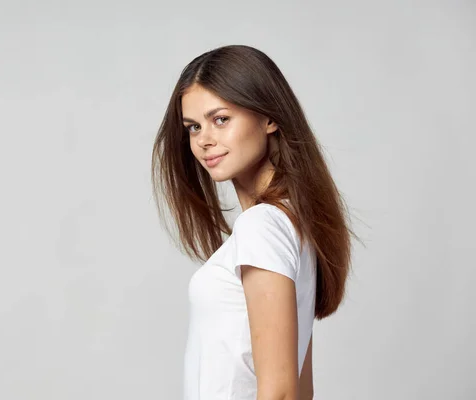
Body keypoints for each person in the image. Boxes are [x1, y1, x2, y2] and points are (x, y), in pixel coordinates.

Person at [151, 44, 358, 400]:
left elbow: (280, 393)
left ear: (268, 117)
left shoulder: (262, 226)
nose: (204, 140)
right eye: (193, 127)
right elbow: (300, 389)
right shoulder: (290, 223)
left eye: (221, 119)